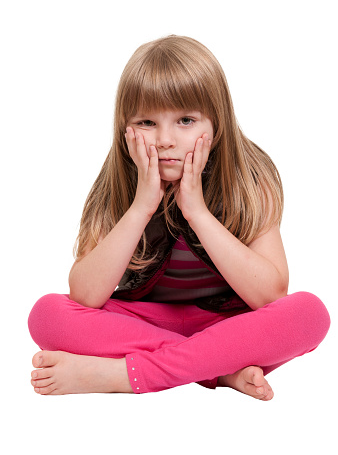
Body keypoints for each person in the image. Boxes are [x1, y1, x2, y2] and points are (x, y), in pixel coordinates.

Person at [28, 35, 330, 398]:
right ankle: (219, 370)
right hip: (144, 321)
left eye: (185, 120)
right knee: (47, 314)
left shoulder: (250, 175)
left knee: (309, 314)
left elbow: (270, 296)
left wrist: (197, 211)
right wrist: (142, 205)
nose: (165, 139)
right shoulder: (117, 180)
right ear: (125, 127)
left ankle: (123, 375)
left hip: (225, 322)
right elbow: (86, 295)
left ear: (216, 123)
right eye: (147, 122)